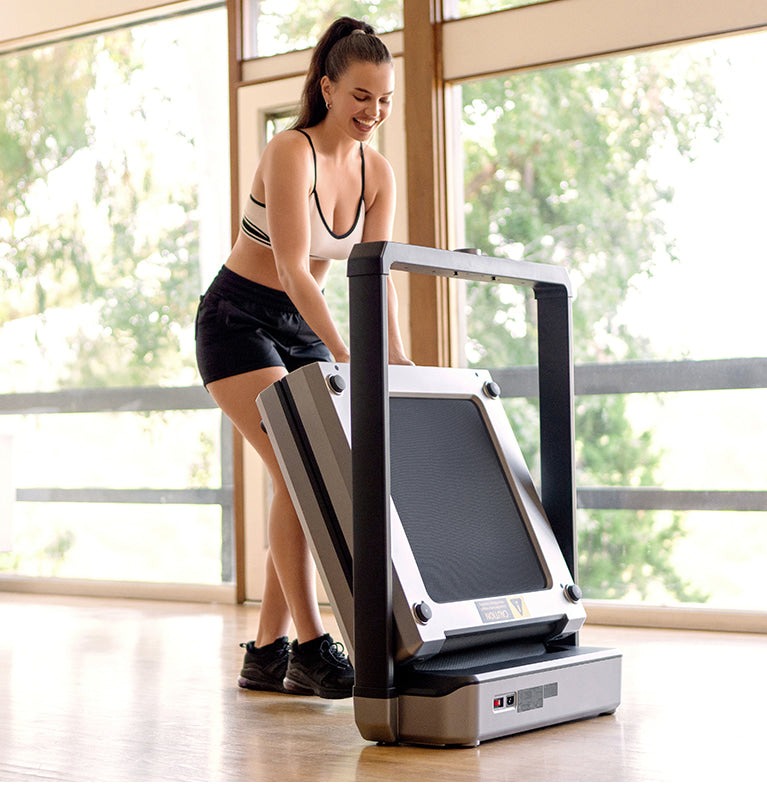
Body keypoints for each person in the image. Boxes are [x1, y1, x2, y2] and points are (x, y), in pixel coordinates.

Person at [195, 17, 411, 699]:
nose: (372, 114)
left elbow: (376, 273)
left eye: (383, 100)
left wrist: (395, 355)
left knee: (309, 473)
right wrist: (350, 354)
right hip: (238, 319)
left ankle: (266, 654)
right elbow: (292, 268)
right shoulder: (290, 150)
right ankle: (313, 649)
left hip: (300, 324)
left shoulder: (377, 173)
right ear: (326, 87)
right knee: (300, 467)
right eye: (359, 97)